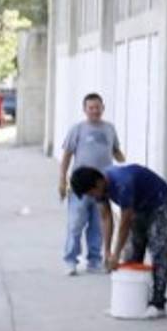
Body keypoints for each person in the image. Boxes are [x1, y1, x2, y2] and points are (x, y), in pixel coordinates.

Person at [70, 163, 167, 319]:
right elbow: (106, 218)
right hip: (139, 207)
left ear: (98, 183)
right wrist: (107, 251)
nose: (93, 197)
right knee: (132, 255)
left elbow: (125, 223)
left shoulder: (123, 183)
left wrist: (116, 253)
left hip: (159, 204)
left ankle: (158, 304)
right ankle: (133, 302)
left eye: (92, 193)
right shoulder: (100, 189)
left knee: (159, 251)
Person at [58, 93, 124, 276]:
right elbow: (66, 156)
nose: (94, 111)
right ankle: (71, 260)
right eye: (91, 108)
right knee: (75, 224)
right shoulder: (77, 129)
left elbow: (116, 150)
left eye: (97, 107)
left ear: (103, 107)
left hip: (102, 187)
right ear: (85, 110)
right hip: (81, 187)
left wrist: (123, 160)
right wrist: (62, 180)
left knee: (98, 225)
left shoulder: (110, 129)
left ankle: (94, 260)